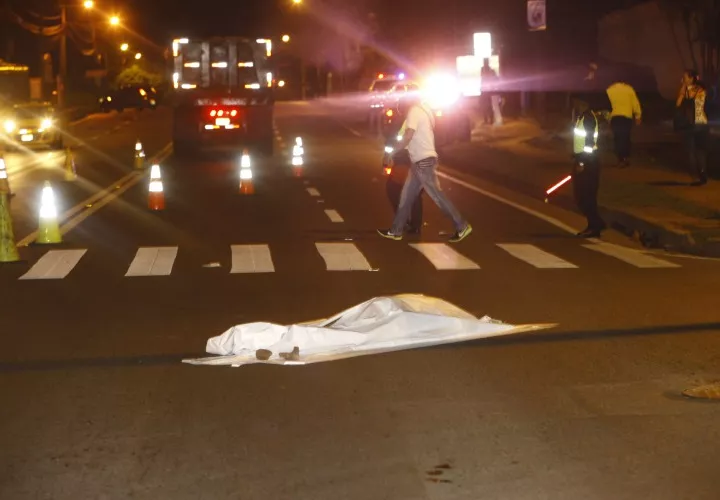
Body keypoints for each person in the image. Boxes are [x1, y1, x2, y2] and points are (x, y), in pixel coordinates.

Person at [378, 91, 472, 243]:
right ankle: (396, 230)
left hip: (423, 161)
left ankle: (461, 225)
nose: (400, 111)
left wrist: (393, 152)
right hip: (419, 161)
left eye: (401, 107)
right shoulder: (424, 111)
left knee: (437, 196)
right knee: (406, 198)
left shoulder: (414, 111)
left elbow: (408, 135)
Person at [572, 95, 606, 238]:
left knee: (586, 196)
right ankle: (596, 224)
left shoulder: (588, 118)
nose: (575, 105)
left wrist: (582, 162)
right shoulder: (582, 117)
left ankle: (595, 225)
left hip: (588, 163)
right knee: (582, 196)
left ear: (584, 103)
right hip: (584, 161)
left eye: (577, 102)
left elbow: (589, 143)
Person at [676, 69, 709, 185]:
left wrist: (683, 87)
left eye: (685, 77)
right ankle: (703, 175)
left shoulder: (686, 90)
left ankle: (695, 177)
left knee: (691, 151)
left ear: (691, 78)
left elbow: (678, 104)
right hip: (703, 123)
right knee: (701, 151)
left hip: (691, 125)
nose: (683, 79)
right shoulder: (702, 89)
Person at [606, 80, 642, 167]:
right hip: (626, 117)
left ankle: (620, 158)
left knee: (617, 137)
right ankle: (625, 157)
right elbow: (635, 103)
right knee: (625, 137)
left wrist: (608, 118)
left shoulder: (609, 90)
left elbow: (606, 105)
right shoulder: (629, 89)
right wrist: (638, 115)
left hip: (615, 117)